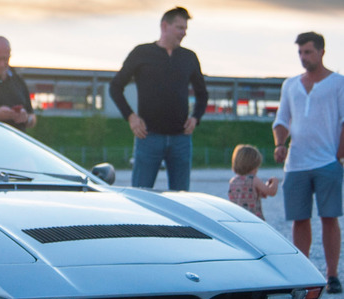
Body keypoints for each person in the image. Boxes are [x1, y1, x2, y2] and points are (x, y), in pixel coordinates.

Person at [273, 31, 344, 294]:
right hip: (296, 163)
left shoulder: (338, 83)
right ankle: (303, 275)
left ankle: (333, 275)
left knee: (329, 217)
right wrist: (280, 144)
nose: (303, 57)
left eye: (308, 52)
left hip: (327, 162)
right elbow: (281, 120)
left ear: (322, 52)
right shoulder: (290, 85)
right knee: (299, 220)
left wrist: (338, 157)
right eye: (300, 53)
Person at [109, 6, 208, 191]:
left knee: (182, 198)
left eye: (185, 28)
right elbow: (115, 87)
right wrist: (131, 117)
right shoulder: (141, 53)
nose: (183, 33)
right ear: (164, 26)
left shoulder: (189, 57)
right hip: (148, 137)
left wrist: (196, 118)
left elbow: (202, 94)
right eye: (179, 28)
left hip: (181, 139)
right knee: (140, 195)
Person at [228, 144, 279, 220]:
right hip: (254, 219)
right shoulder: (253, 180)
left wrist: (265, 186)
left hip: (239, 218)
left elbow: (258, 194)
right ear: (253, 165)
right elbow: (271, 192)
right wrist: (275, 182)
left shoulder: (233, 181)